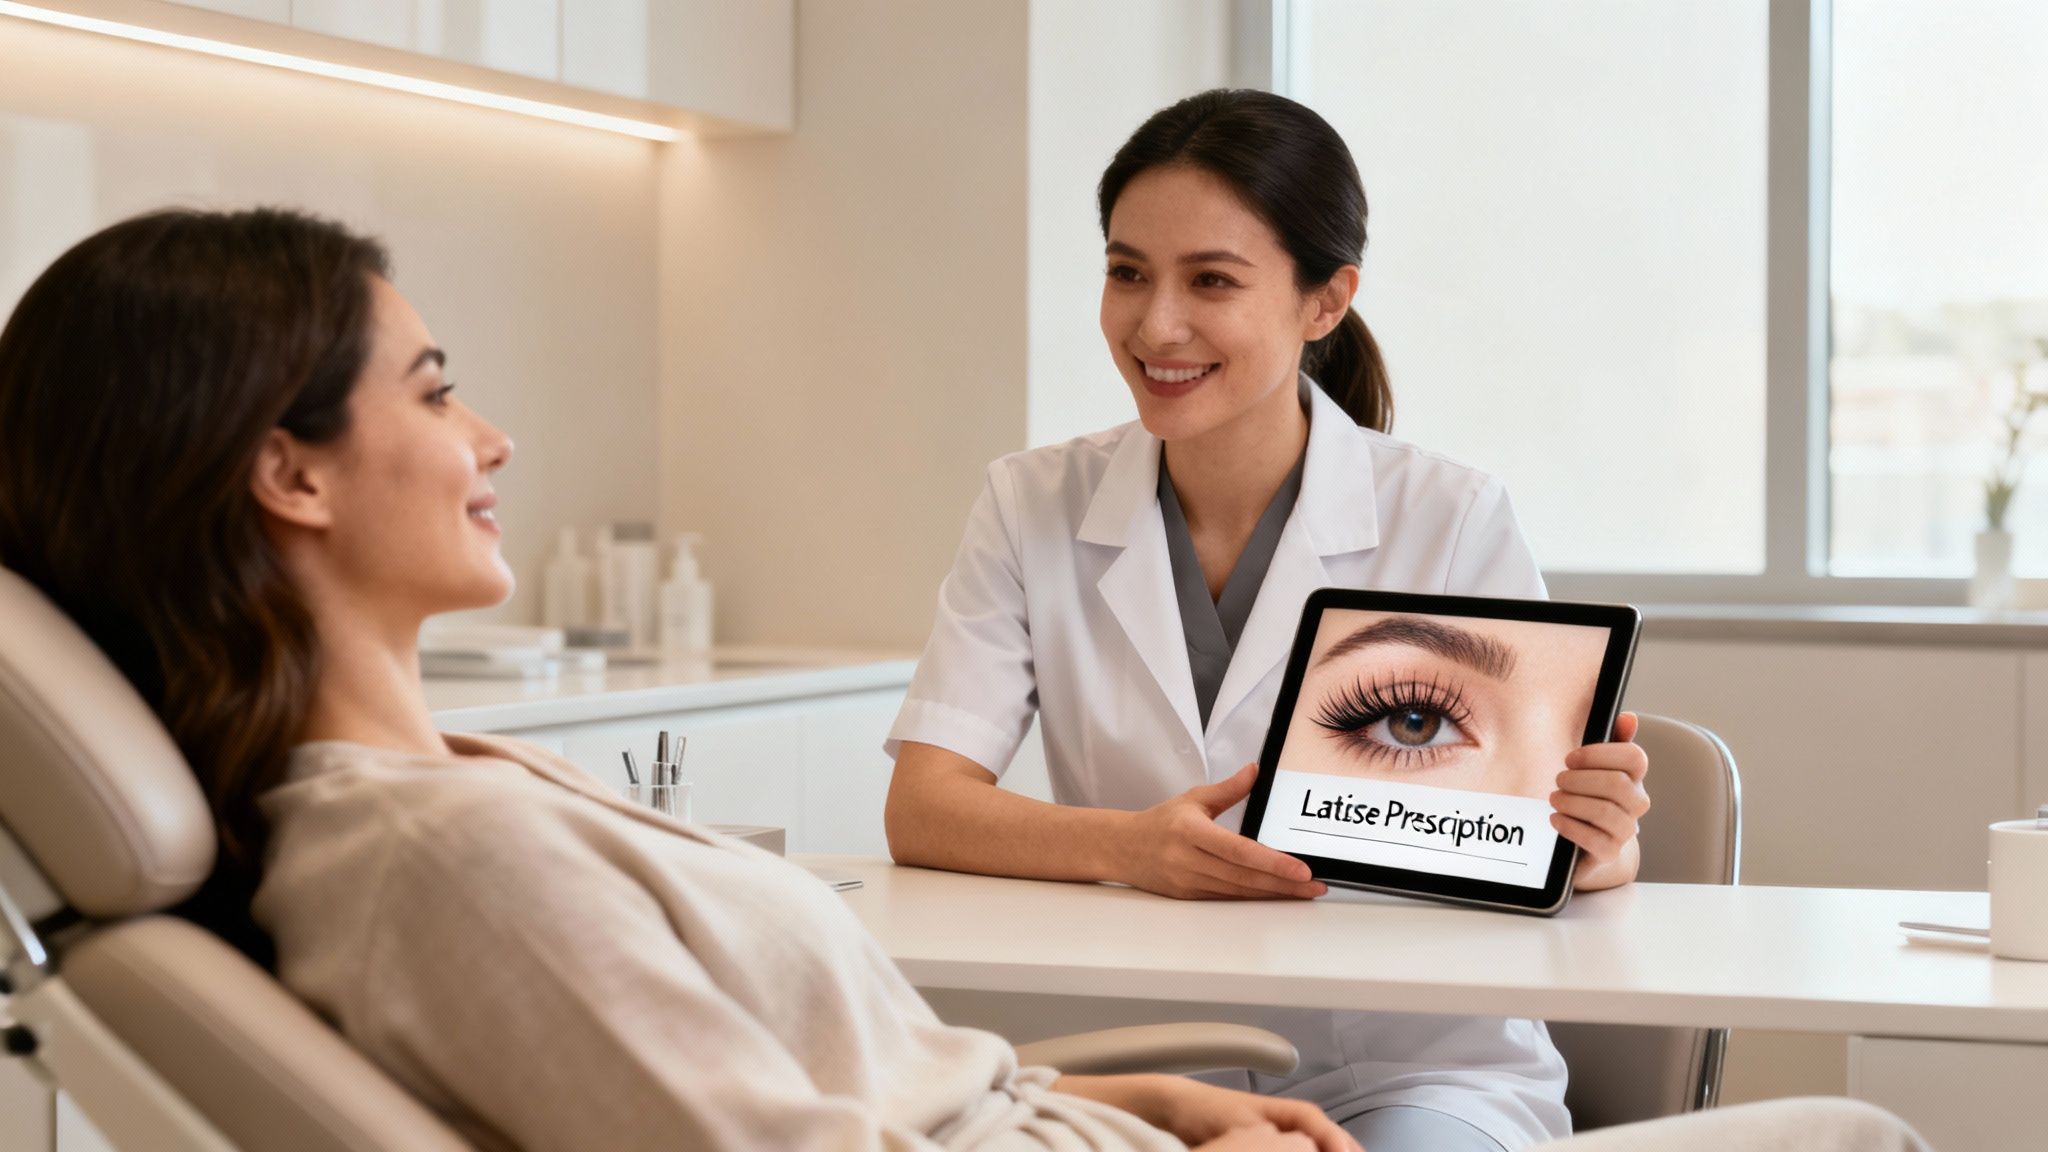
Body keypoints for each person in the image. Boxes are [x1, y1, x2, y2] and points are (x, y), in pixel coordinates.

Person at [0, 207, 1359, 1152]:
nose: (492, 438)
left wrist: (1120, 1100)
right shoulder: (445, 857)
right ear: (290, 473)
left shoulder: (455, 790)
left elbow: (795, 1090)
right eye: (431, 393)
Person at [883, 89, 1648, 1151]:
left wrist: (1597, 842)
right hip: (1151, 1067)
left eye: (1211, 281)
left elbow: (1548, 845)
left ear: (1324, 301)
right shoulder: (1031, 505)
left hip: (1413, 1067)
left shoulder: (1447, 519)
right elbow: (923, 809)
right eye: (1126, 272)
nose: (1155, 326)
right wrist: (1134, 848)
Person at [1282, 610, 1611, 797]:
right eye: (1415, 722)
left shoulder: (1463, 506)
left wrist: (1607, 850)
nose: (1543, 803)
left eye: (1586, 732)